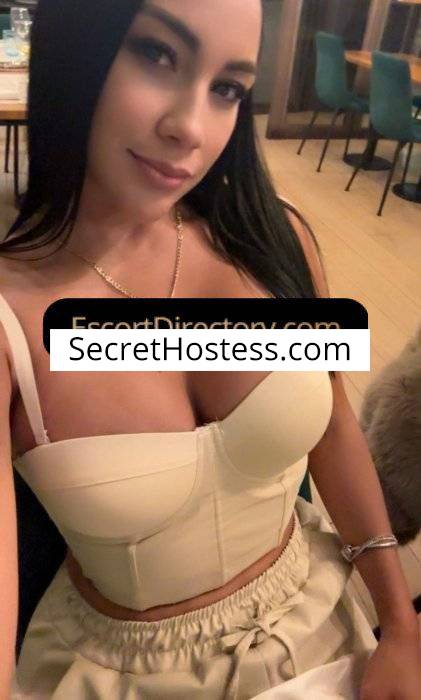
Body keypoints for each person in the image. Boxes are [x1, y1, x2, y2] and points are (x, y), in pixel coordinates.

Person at [0, 0, 420, 698]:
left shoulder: (278, 238)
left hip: (320, 622)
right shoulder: (12, 318)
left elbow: (336, 430)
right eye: (156, 53)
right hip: (122, 676)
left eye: (227, 88)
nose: (190, 129)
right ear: (78, 45)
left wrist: (399, 623)